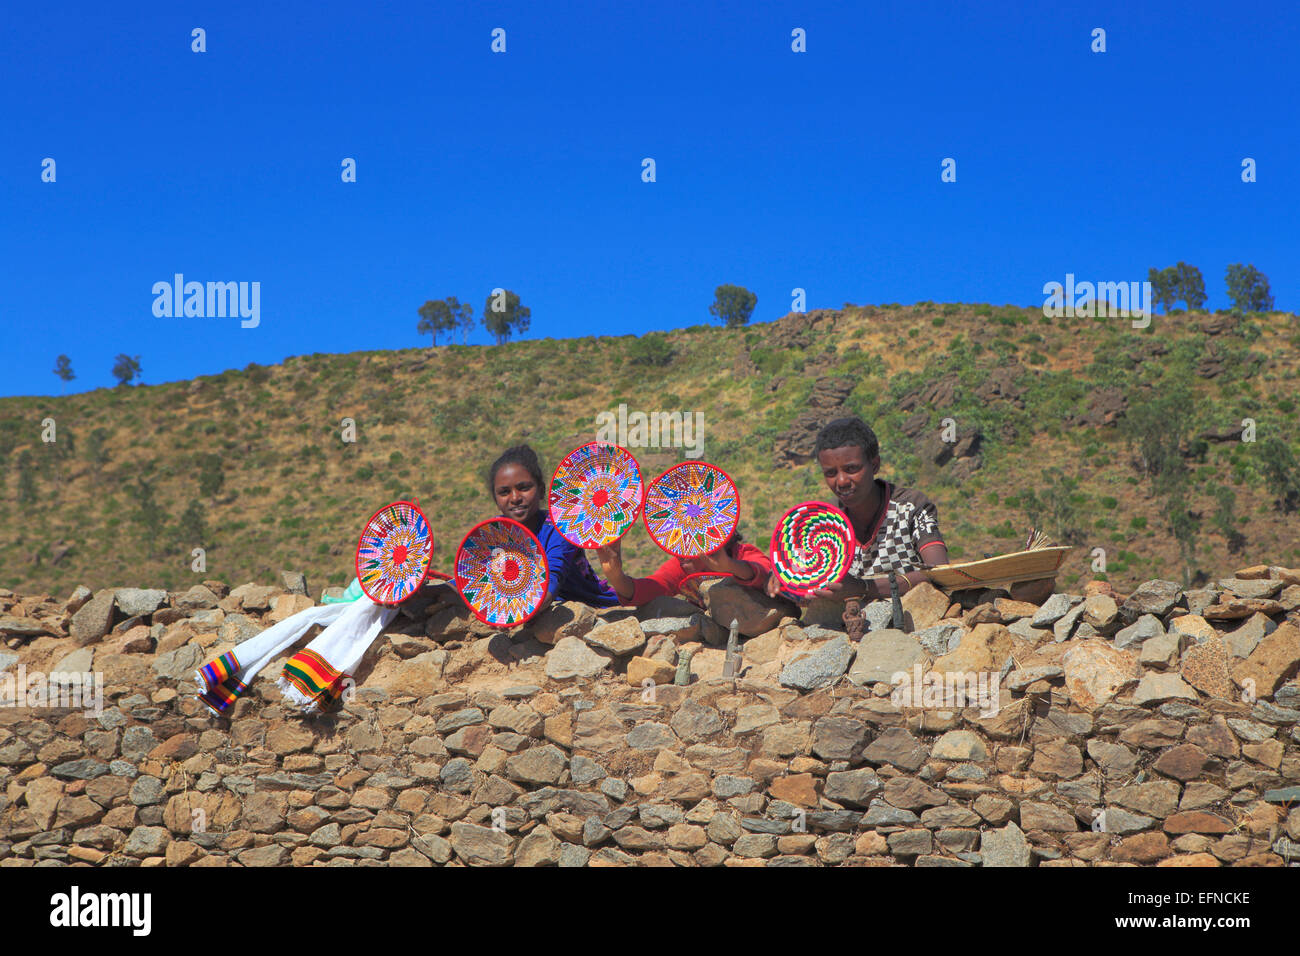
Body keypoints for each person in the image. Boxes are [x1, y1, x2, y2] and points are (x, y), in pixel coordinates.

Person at [767, 417, 949, 603]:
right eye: (830, 473)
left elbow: (940, 571)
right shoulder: (823, 522)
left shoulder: (912, 507)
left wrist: (864, 588)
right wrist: (789, 580)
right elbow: (807, 575)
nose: (842, 481)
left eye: (852, 469)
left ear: (875, 465)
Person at [486, 445, 621, 622]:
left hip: (591, 606)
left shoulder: (561, 526)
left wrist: (521, 611)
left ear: (541, 490)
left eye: (524, 488)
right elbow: (475, 573)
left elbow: (553, 573)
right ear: (496, 499)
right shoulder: (494, 533)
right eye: (504, 492)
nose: (515, 498)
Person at [594, 528, 773, 607]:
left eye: (691, 541)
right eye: (678, 542)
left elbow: (764, 573)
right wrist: (616, 576)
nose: (681, 551)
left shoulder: (742, 553)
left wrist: (729, 566)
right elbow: (647, 590)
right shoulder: (682, 566)